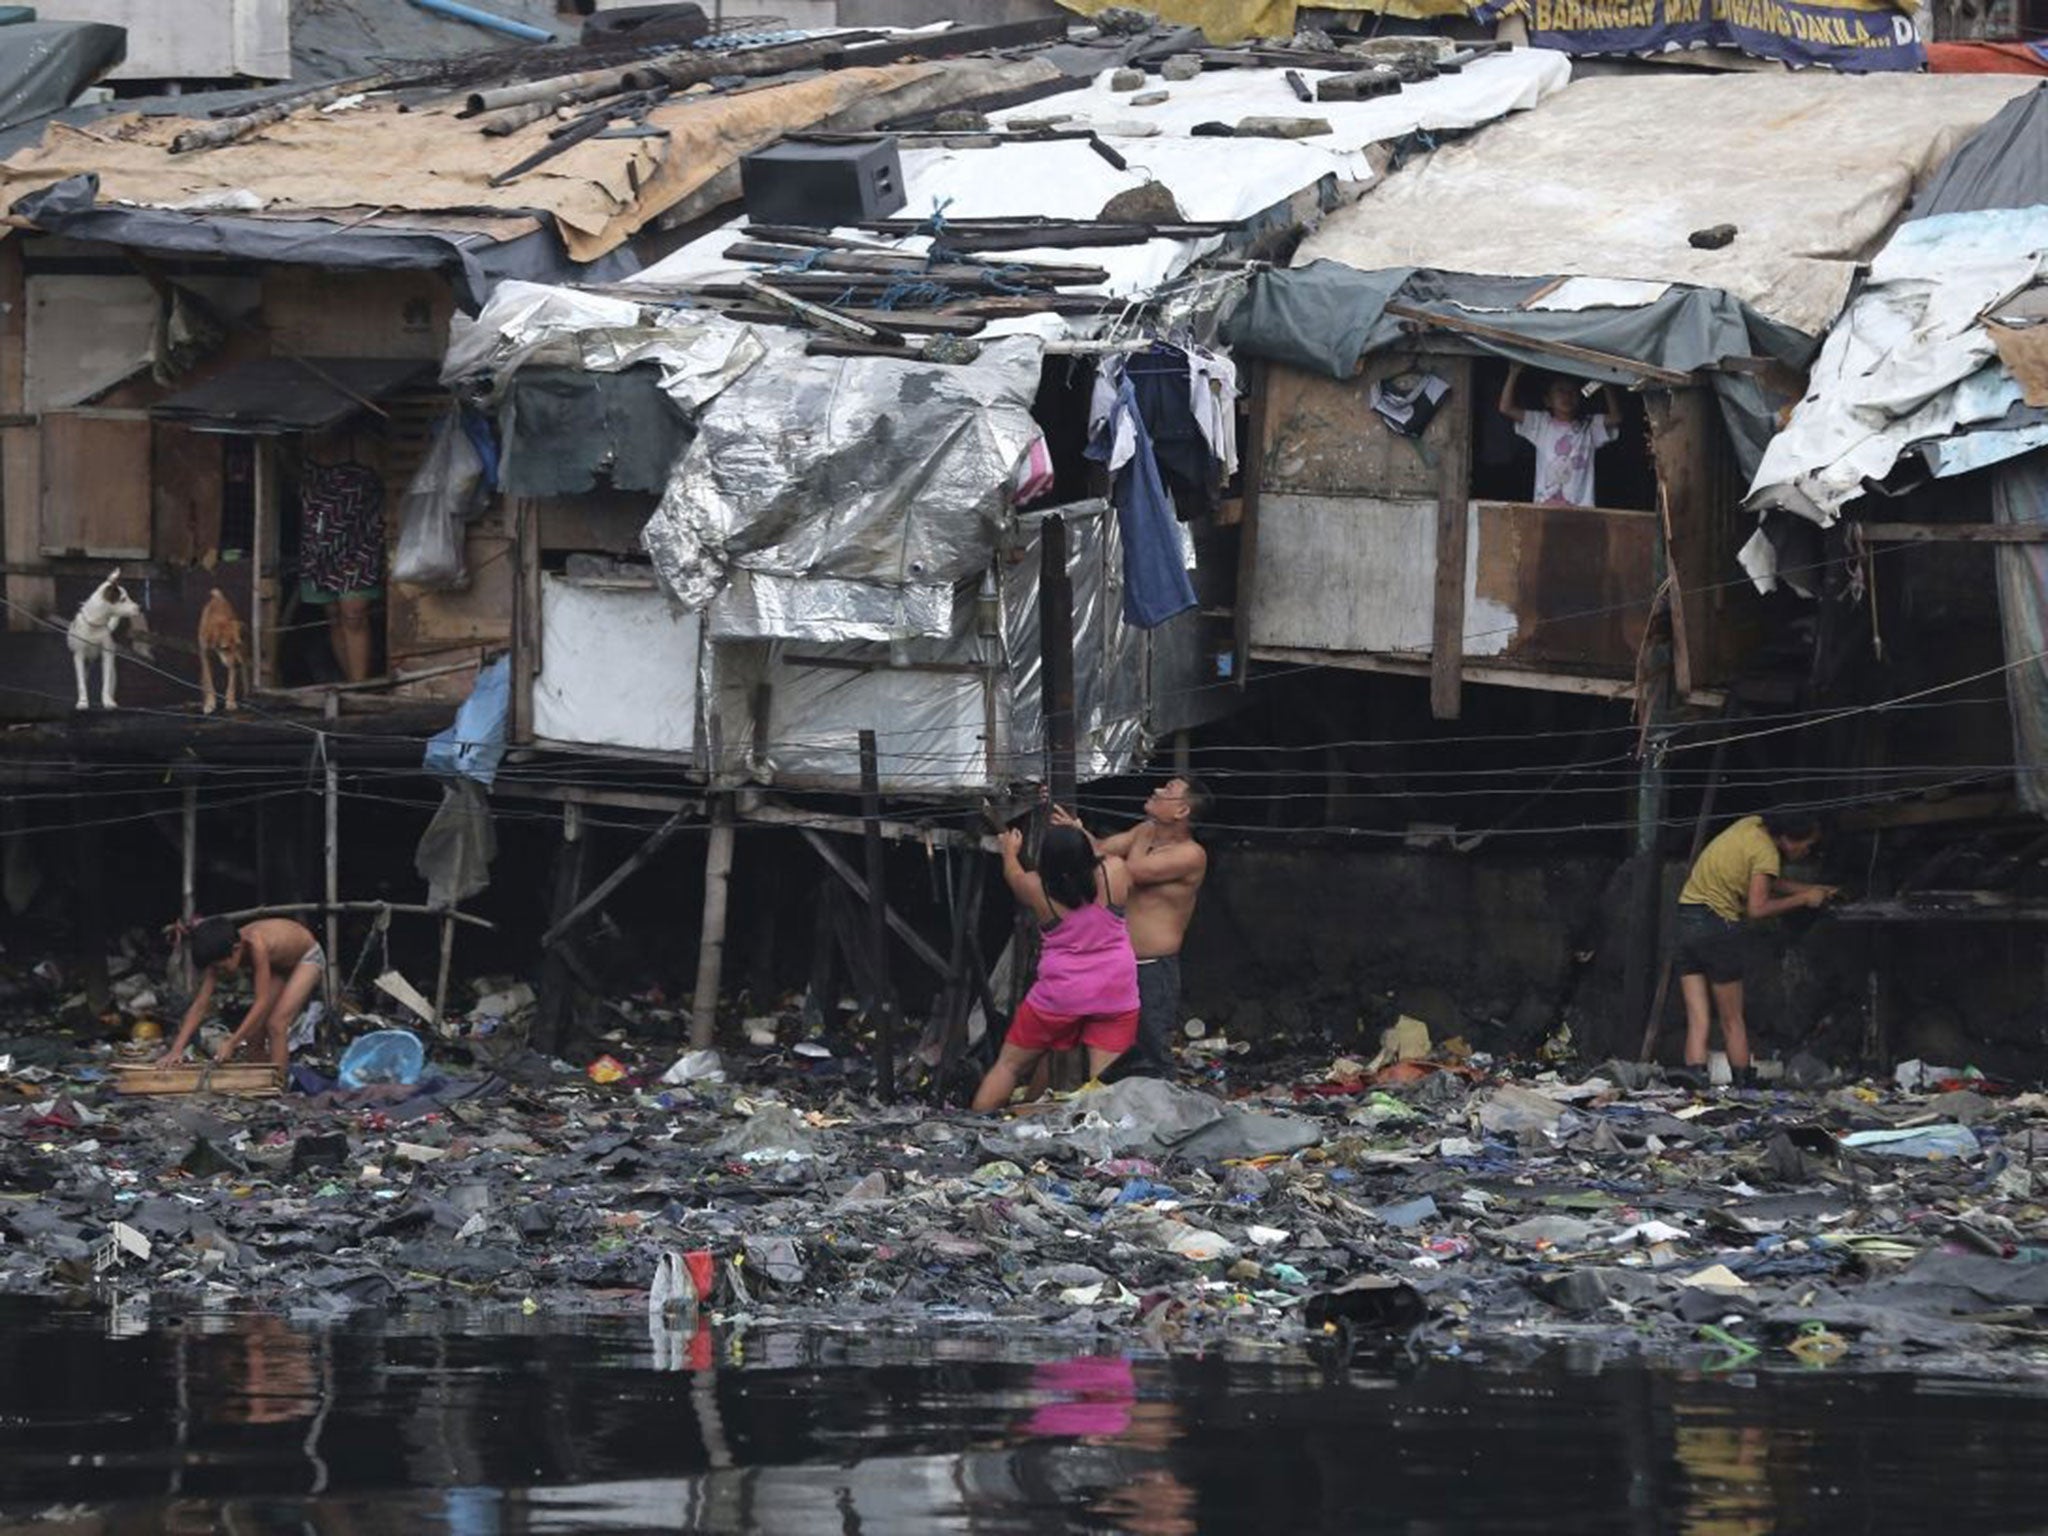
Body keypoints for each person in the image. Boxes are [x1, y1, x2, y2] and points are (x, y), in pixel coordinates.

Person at [972, 826, 1138, 1113]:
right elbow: (1102, 854)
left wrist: (1009, 852)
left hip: (1060, 995)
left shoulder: (1037, 887)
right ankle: (1106, 1146)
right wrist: (1081, 831)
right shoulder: (1115, 872)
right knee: (1107, 1085)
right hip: (1115, 991)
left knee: (1009, 1066)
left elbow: (1013, 876)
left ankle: (973, 1127)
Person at [1052, 777, 1208, 1079]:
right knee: (1110, 1047)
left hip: (1152, 967)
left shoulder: (1191, 854)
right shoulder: (1145, 831)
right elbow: (1099, 850)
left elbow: (1128, 871)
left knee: (1152, 1049)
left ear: (1181, 812)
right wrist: (1077, 832)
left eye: (1169, 791)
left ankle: (1167, 1117)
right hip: (1118, 962)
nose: (1157, 789)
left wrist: (1129, 842)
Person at [1673, 810, 1837, 1084]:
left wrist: (1810, 888)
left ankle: (1695, 1078)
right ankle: (1742, 1080)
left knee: (1698, 1016)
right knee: (1732, 1019)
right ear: (1787, 839)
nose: (1808, 851)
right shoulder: (1767, 854)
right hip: (1717, 928)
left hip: (1686, 920)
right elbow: (1757, 907)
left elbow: (1764, 879)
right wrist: (1805, 899)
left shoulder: (1750, 825)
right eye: (1807, 845)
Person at [157, 915, 325, 1069]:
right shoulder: (219, 951)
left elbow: (261, 1001)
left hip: (307, 957)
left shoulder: (256, 944)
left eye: (221, 966)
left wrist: (232, 1042)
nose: (219, 971)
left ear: (236, 949)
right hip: (278, 966)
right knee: (253, 1036)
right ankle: (264, 1081)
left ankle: (281, 1086)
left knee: (276, 1024)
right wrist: (176, 1049)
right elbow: (200, 1005)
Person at [1497, 362, 1622, 508]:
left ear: (1580, 399)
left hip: (1582, 508)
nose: (1567, 395)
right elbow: (1505, 408)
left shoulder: (1589, 426)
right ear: (1547, 400)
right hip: (1545, 505)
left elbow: (1616, 417)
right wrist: (1513, 373)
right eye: (1560, 390)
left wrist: (1606, 383)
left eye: (1572, 391)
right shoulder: (1541, 423)